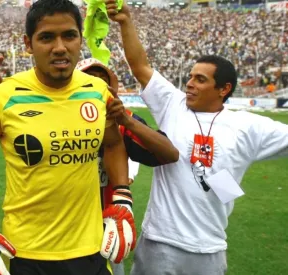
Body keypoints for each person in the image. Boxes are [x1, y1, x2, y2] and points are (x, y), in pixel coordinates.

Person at [104, 1, 288, 274]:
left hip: (209, 248)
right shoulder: (173, 104)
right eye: (190, 77)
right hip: (159, 242)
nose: (189, 83)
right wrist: (126, 22)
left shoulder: (247, 126)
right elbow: (140, 67)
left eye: (200, 79)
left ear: (224, 89)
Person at [0, 0, 137, 274]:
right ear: (28, 44)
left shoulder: (98, 90)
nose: (60, 47)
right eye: (46, 37)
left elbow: (113, 145)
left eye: (69, 35)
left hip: (91, 247)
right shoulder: (1, 96)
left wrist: (122, 197)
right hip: (28, 251)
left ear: (80, 39)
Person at [0, 53, 179, 275]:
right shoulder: (53, 117)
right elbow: (12, 106)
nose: (95, 86)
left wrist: (127, 121)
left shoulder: (121, 121)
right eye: (89, 78)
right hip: (46, 236)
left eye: (103, 81)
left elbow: (168, 154)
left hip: (109, 227)